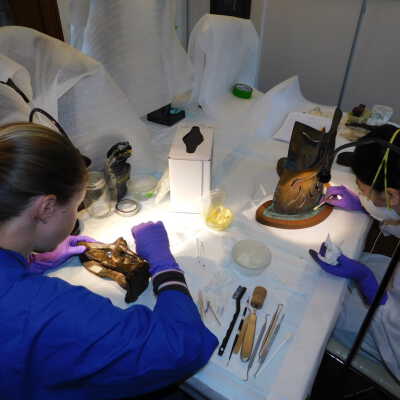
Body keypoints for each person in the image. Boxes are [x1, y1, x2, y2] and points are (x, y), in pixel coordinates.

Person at [0, 123, 218, 400]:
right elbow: (182, 346)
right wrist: (165, 267)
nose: (76, 215)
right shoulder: (45, 310)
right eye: (77, 206)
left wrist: (27, 258)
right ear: (46, 208)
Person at [309, 123, 400, 380]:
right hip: (394, 288)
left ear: (391, 194)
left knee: (320, 307)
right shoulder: (395, 195)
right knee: (359, 261)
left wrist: (365, 280)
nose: (360, 193)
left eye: (362, 189)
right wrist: (365, 206)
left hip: (392, 330)